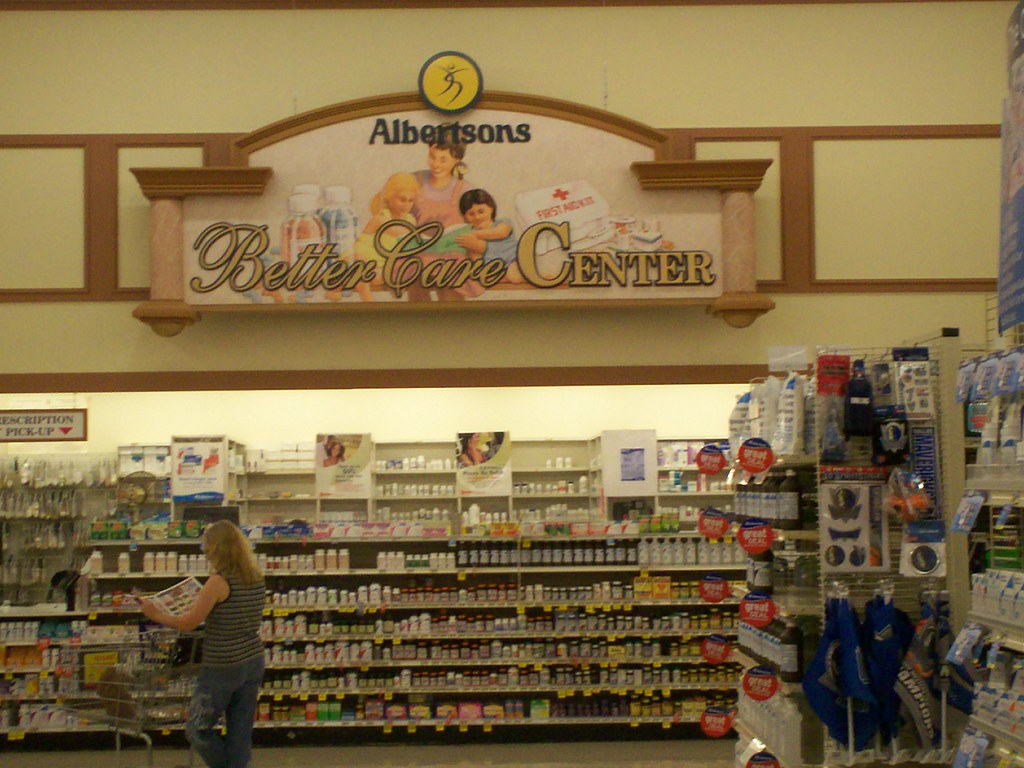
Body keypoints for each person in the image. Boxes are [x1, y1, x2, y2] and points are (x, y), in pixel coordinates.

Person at [139, 520, 266, 768]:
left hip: (223, 664)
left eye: (207, 546)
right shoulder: (256, 576)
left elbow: (189, 623)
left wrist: (155, 614)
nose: (205, 552)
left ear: (216, 548)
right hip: (253, 660)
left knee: (197, 729)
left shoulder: (218, 582)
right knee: (240, 735)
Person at [343, 172, 420, 301]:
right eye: (402, 200)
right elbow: (362, 242)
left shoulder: (411, 221)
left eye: (410, 200)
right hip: (371, 256)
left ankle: (393, 286)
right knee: (358, 268)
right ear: (389, 198)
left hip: (391, 262)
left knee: (388, 273)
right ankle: (364, 294)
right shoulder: (380, 219)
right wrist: (361, 256)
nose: (406, 205)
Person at [454, 188, 522, 283]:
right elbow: (474, 258)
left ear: (491, 208)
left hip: (511, 260)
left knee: (515, 277)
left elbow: (500, 233)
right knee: (484, 278)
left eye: (481, 211)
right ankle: (503, 278)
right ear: (464, 216)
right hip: (491, 266)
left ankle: (539, 277)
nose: (477, 217)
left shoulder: (503, 223)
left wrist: (472, 234)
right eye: (471, 214)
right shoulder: (470, 234)